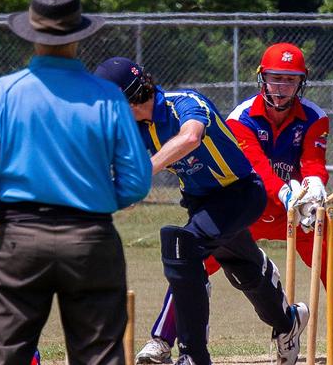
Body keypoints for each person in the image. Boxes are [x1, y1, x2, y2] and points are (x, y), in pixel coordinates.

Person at [136, 43, 333, 365]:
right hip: (248, 209)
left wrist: (314, 188)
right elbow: (255, 166)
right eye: (275, 78)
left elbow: (313, 161)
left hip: (298, 212)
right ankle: (161, 340)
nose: (281, 87)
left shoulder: (315, 116)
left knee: (332, 252)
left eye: (290, 79)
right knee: (193, 258)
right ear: (262, 78)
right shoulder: (240, 117)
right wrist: (286, 192)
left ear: (302, 81)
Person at [0, 0, 152, 364]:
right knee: (98, 355)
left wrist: (15, 195)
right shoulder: (108, 96)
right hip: (90, 239)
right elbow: (137, 182)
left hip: (20, 236)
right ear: (79, 36)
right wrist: (96, 197)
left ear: (32, 35)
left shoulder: (6, 91)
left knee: (4, 355)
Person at [95, 57, 308, 365]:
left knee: (181, 246)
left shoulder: (184, 103)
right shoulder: (136, 129)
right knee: (243, 269)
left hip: (240, 192)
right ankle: (288, 322)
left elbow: (191, 137)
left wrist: (142, 171)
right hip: (201, 203)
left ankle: (194, 355)